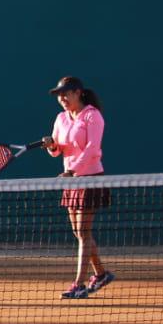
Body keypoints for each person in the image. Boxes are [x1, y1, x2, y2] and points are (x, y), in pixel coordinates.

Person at [44, 75, 114, 300]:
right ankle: (101, 274)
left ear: (78, 93)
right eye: (59, 95)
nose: (62, 98)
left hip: (90, 178)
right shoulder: (60, 119)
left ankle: (79, 284)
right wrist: (51, 146)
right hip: (71, 180)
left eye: (66, 93)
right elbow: (57, 150)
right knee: (79, 232)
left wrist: (73, 171)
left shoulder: (93, 116)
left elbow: (93, 149)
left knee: (83, 232)